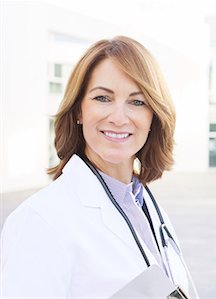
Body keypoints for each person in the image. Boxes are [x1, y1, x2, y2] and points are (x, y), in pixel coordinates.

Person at [0, 36, 197, 298]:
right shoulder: (39, 220)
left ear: (154, 117)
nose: (118, 117)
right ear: (79, 111)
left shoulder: (145, 206)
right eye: (103, 98)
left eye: (137, 102)